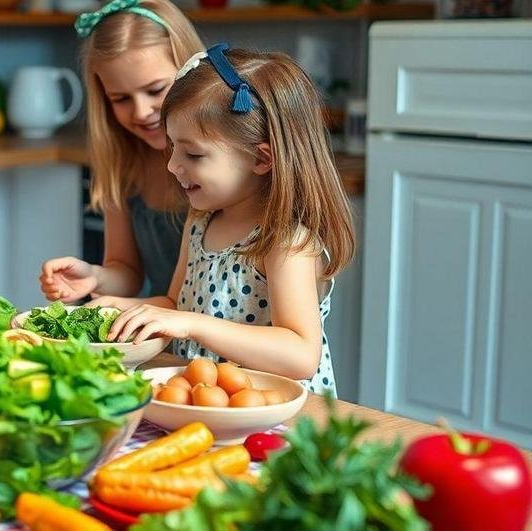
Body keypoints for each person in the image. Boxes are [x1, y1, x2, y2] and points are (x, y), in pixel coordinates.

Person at [99, 44, 355, 394]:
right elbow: (175, 304)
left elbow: (300, 354)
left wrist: (192, 325)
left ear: (260, 158)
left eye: (193, 154)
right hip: (210, 404)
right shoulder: (201, 221)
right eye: (172, 147)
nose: (173, 165)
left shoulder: (285, 241)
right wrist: (123, 309)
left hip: (276, 418)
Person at [40, 0, 205, 303]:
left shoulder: (222, 162)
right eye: (121, 99)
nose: (141, 111)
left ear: (192, 71)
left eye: (156, 90)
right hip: (162, 336)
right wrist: (93, 276)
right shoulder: (124, 161)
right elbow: (127, 272)